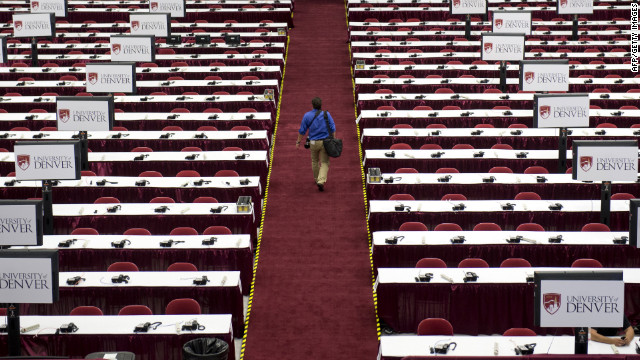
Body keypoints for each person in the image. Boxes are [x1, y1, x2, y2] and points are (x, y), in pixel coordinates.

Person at [296, 97, 336, 192]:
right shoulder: (327, 114)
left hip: (313, 142)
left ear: (312, 105)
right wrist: (333, 139)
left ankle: (316, 178)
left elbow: (302, 130)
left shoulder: (307, 115)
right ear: (321, 105)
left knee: (314, 161)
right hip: (325, 142)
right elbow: (333, 128)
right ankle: (321, 180)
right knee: (325, 162)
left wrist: (298, 142)